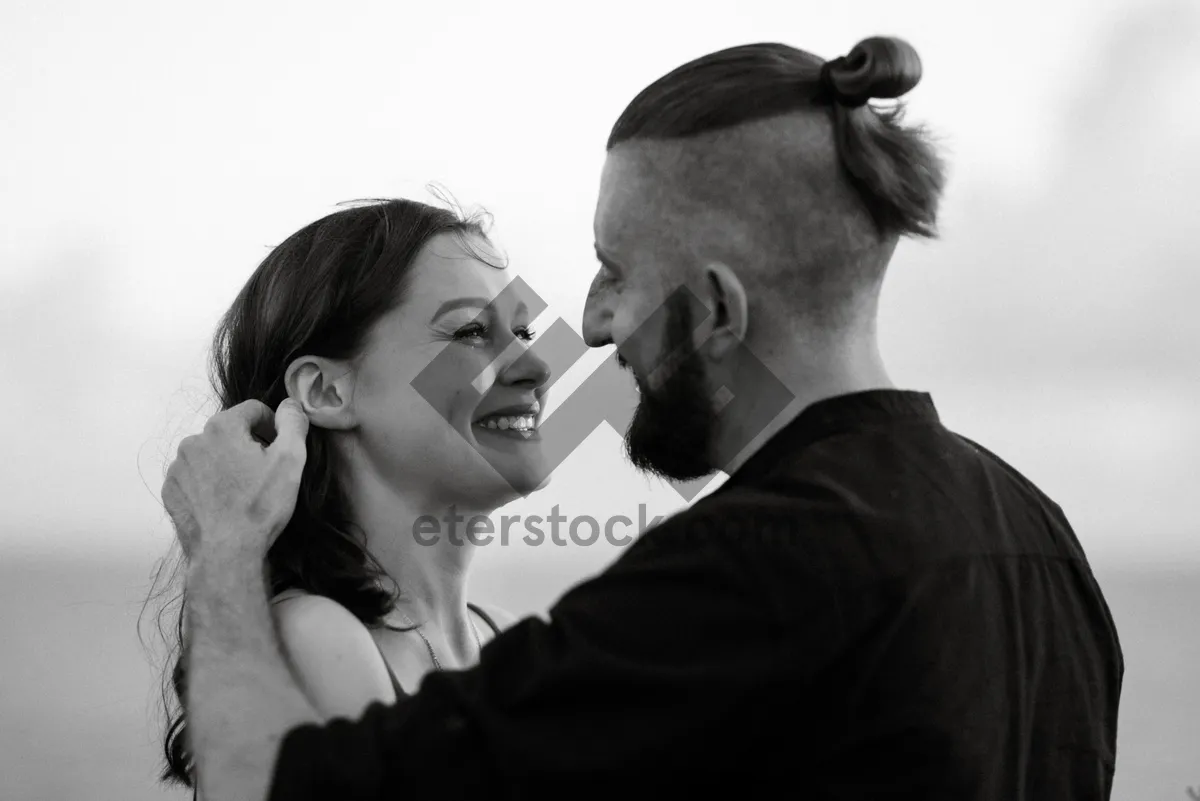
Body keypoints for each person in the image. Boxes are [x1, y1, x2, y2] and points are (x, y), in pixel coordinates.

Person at [162, 37, 1124, 800]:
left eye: (614, 276)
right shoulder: (1041, 538)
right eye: (472, 330)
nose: (585, 330)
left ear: (713, 310)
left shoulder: (748, 570)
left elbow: (270, 788)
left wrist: (221, 547)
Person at [152, 196, 553, 794]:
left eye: (521, 331)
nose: (536, 366)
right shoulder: (320, 637)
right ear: (326, 392)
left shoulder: (509, 637)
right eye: (472, 331)